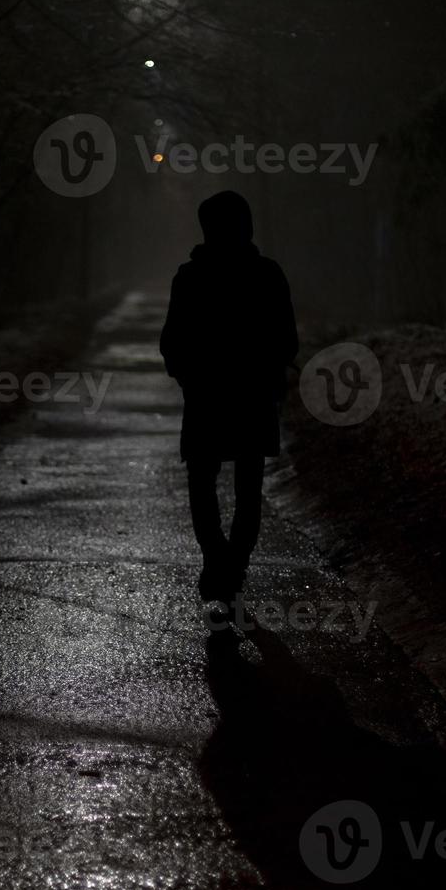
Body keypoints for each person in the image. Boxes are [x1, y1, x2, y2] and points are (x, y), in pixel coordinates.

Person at [159, 190, 299, 604]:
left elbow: (172, 343)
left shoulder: (189, 277)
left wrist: (187, 376)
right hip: (253, 399)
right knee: (248, 486)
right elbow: (287, 341)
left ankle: (216, 560)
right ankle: (233, 564)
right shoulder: (268, 274)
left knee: (202, 483)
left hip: (205, 399)